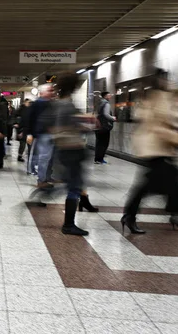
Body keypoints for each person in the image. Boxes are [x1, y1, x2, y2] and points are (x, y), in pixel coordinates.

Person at [121, 69, 178, 234]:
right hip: (156, 149)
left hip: (153, 148)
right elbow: (163, 129)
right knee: (149, 187)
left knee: (171, 183)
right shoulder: (160, 100)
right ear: (161, 81)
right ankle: (131, 216)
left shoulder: (150, 98)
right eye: (166, 79)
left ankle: (173, 215)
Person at [52, 72, 97, 236]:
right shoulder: (67, 105)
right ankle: (68, 224)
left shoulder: (60, 103)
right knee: (74, 186)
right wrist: (87, 122)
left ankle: (69, 221)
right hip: (71, 149)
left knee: (73, 184)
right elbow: (73, 125)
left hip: (65, 149)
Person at [27, 84, 56, 187]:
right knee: (43, 158)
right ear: (42, 92)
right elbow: (30, 119)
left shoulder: (52, 103)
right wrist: (30, 133)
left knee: (50, 158)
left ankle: (47, 177)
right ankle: (41, 179)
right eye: (49, 90)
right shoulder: (37, 104)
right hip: (42, 134)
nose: (52, 92)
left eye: (52, 90)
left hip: (52, 134)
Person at [95, 91, 116, 164]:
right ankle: (101, 159)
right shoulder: (106, 104)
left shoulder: (99, 103)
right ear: (105, 96)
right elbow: (106, 114)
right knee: (104, 143)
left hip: (98, 126)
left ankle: (97, 159)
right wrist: (113, 118)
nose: (110, 96)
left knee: (99, 143)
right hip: (104, 127)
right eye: (109, 95)